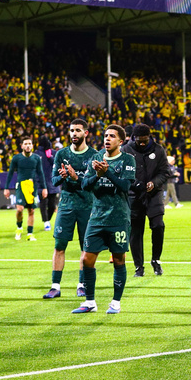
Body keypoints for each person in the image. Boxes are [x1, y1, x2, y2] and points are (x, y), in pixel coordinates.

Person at [71, 124, 136, 315]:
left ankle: (115, 302)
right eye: (106, 135)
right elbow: (85, 184)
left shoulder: (127, 159)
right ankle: (90, 302)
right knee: (87, 259)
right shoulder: (96, 158)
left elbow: (125, 186)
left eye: (112, 136)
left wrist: (106, 173)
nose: (107, 139)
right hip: (97, 217)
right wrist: (97, 175)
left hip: (118, 218)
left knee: (118, 259)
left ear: (120, 141)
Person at [44, 118, 97, 299]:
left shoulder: (95, 156)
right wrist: (64, 175)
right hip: (66, 205)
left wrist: (76, 178)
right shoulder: (61, 154)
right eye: (72, 130)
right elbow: (54, 181)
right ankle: (55, 286)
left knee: (86, 247)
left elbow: (92, 184)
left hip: (87, 206)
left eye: (78, 131)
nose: (74, 134)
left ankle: (81, 285)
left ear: (86, 133)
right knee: (59, 245)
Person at [122, 124, 170, 277]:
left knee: (158, 226)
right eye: (139, 141)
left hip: (154, 195)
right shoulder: (126, 151)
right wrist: (136, 184)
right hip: (134, 196)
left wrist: (154, 183)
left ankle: (156, 260)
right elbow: (122, 172)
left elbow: (165, 172)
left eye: (145, 140)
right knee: (136, 232)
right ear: (133, 138)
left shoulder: (158, 150)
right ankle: (138, 266)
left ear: (149, 137)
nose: (142, 143)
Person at [4, 137, 48, 241]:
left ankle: (30, 233)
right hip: (21, 185)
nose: (28, 145)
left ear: (32, 146)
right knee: (19, 209)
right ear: (22, 146)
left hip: (32, 187)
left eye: (29, 143)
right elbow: (10, 173)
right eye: (26, 144)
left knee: (31, 210)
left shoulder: (36, 158)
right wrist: (6, 188)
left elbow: (40, 173)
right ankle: (19, 228)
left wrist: (44, 188)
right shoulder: (16, 158)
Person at [36, 135, 60, 232]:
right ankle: (46, 222)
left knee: (52, 205)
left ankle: (47, 220)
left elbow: (57, 165)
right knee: (43, 203)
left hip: (52, 183)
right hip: (41, 183)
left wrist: (50, 157)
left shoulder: (53, 153)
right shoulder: (36, 154)